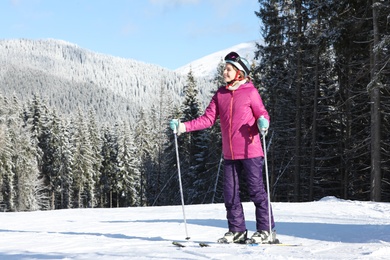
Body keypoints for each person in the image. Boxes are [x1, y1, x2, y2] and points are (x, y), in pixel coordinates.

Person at [169, 51, 275, 244]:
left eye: (228, 69)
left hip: (251, 151)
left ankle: (266, 230)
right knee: (231, 194)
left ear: (239, 72)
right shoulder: (221, 94)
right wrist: (183, 127)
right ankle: (237, 231)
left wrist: (263, 123)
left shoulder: (250, 91)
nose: (224, 72)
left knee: (256, 191)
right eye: (224, 69)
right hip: (230, 154)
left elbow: (262, 114)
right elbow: (207, 119)